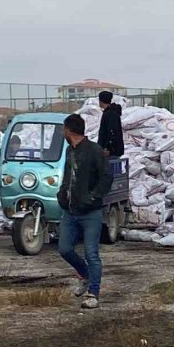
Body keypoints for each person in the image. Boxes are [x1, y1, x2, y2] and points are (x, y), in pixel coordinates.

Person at [57, 114, 112, 309]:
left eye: (63, 130)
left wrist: (92, 197)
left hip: (90, 213)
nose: (63, 133)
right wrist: (61, 194)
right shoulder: (69, 151)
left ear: (68, 130)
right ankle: (85, 275)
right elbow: (68, 177)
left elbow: (107, 177)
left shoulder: (94, 151)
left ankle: (93, 293)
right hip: (70, 211)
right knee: (64, 249)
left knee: (91, 253)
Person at [97, 91, 124, 158]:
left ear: (101, 101)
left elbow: (112, 132)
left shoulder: (109, 114)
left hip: (111, 152)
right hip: (114, 150)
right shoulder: (112, 112)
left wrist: (108, 149)